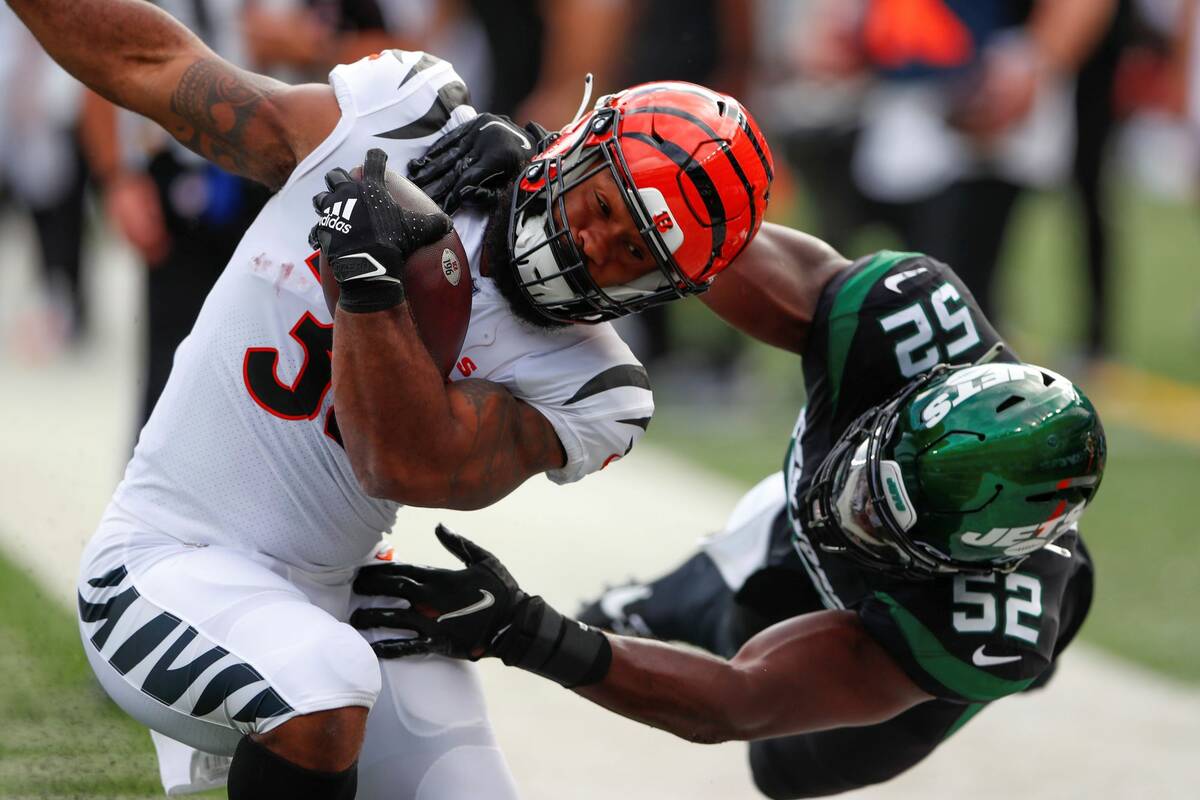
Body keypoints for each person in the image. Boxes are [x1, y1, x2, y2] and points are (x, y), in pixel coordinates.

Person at [6, 1, 774, 797]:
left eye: (637, 258)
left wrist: (369, 288)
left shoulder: (599, 387)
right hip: (163, 562)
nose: (594, 245)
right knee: (323, 681)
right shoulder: (408, 114)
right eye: (606, 207)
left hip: (338, 600)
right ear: (578, 147)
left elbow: (402, 462)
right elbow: (156, 67)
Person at [350, 120, 1103, 796]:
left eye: (884, 518)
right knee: (737, 574)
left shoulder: (987, 622)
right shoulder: (900, 322)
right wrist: (563, 168)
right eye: (876, 469)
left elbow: (738, 701)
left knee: (782, 768)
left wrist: (526, 633)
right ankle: (669, 600)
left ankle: (689, 604)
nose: (853, 507)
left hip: (898, 624)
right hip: (787, 521)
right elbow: (692, 243)